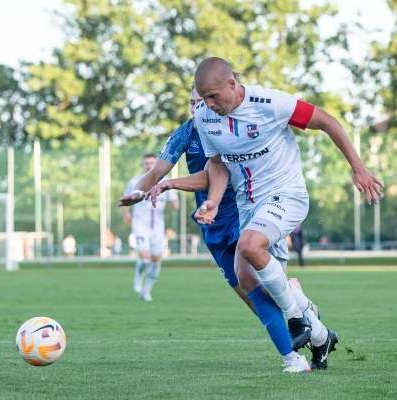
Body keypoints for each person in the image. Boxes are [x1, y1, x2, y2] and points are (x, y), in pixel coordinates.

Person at [193, 57, 383, 369]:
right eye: (204, 98)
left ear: (232, 83)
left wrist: (358, 167)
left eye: (214, 96)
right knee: (246, 276)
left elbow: (326, 121)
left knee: (250, 245)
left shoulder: (270, 103)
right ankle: (321, 335)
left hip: (287, 195)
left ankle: (297, 320)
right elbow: (216, 163)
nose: (209, 104)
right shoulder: (204, 116)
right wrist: (213, 200)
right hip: (249, 207)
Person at [121, 84, 317, 372]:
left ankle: (295, 353)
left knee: (258, 282)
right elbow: (155, 173)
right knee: (252, 298)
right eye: (192, 101)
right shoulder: (186, 132)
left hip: (246, 213)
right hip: (211, 224)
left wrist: (172, 184)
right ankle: (302, 318)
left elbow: (215, 175)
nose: (198, 107)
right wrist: (139, 193)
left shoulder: (232, 127)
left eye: (202, 100)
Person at [121, 154, 179, 301]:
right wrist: (126, 214)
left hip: (157, 228)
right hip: (140, 225)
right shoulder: (135, 181)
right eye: (146, 163)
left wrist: (175, 204)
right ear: (143, 165)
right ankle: (139, 274)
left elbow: (175, 202)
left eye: (152, 163)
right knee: (145, 258)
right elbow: (125, 198)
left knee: (156, 260)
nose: (149, 165)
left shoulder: (166, 181)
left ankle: (146, 291)